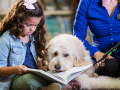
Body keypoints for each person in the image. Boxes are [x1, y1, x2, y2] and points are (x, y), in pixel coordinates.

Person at [0, 0, 62, 90]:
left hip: (34, 73)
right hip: (15, 79)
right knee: (29, 81)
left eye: (36, 25)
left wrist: (40, 67)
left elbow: (32, 58)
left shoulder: (32, 36)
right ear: (17, 20)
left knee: (56, 76)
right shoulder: (5, 40)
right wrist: (15, 69)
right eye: (28, 25)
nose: (32, 29)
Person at [73, 0, 120, 77]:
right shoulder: (86, 2)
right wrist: (95, 52)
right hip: (103, 59)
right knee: (110, 67)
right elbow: (78, 36)